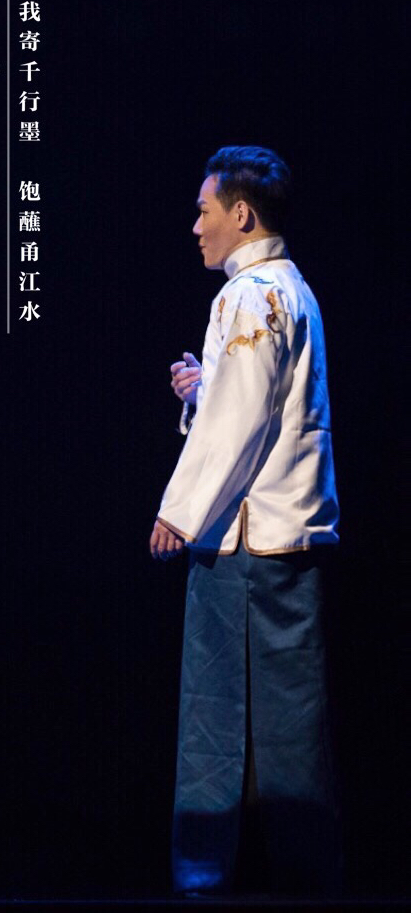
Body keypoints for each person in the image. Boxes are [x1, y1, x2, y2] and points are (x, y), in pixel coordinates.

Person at [149, 147, 341, 897]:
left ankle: (203, 879)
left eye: (205, 211)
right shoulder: (290, 287)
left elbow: (240, 423)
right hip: (288, 531)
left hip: (244, 539)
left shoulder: (249, 293)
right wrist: (207, 388)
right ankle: (306, 877)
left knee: (214, 719)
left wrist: (179, 511)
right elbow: (256, 405)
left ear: (241, 213)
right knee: (294, 718)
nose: (196, 226)